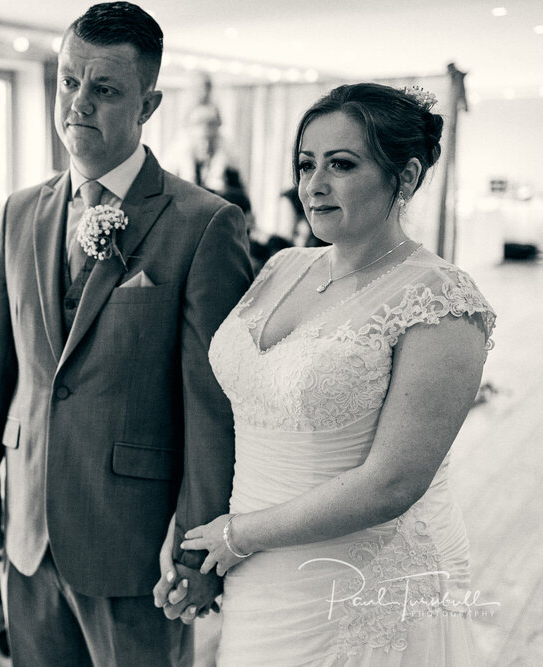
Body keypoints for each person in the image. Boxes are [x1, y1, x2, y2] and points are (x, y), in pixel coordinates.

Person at [0, 3, 253, 664]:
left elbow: (214, 409)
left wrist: (195, 545)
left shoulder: (204, 224)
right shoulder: (18, 212)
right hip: (27, 526)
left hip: (134, 541)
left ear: (148, 104)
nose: (78, 103)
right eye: (68, 82)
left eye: (105, 89)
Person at [174, 83, 496, 664]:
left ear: (405, 177)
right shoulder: (282, 267)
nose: (313, 186)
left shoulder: (442, 299)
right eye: (306, 164)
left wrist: (237, 536)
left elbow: (393, 483)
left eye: (341, 165)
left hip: (352, 581)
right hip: (253, 573)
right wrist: (205, 550)